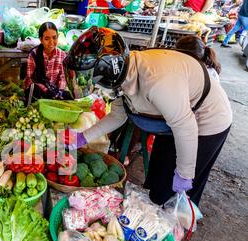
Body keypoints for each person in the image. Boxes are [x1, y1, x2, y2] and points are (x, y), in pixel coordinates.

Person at [64, 27, 232, 206]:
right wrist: (83, 137)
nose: (94, 84)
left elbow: (186, 127)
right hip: (173, 121)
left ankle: (175, 225)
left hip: (207, 120)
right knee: (157, 177)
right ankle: (156, 209)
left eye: (92, 78)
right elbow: (118, 116)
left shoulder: (156, 81)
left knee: (178, 192)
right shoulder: (122, 75)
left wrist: (185, 173)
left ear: (108, 69)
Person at [24, 22, 70, 100]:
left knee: (69, 96)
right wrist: (47, 91)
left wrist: (59, 92)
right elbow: (31, 79)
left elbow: (63, 77)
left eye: (54, 38)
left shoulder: (62, 55)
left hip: (53, 90)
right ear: (41, 40)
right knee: (35, 89)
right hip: (38, 89)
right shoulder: (34, 54)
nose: (51, 42)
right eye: (47, 39)